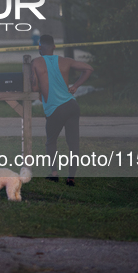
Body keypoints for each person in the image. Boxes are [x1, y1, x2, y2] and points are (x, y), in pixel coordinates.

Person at [31, 34, 93, 186]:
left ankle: (54, 174)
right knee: (73, 143)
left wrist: (40, 93)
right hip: (72, 105)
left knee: (51, 142)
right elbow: (88, 68)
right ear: (54, 47)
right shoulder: (65, 61)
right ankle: (71, 178)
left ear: (39, 47)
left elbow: (34, 87)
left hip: (55, 109)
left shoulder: (36, 63)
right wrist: (76, 86)